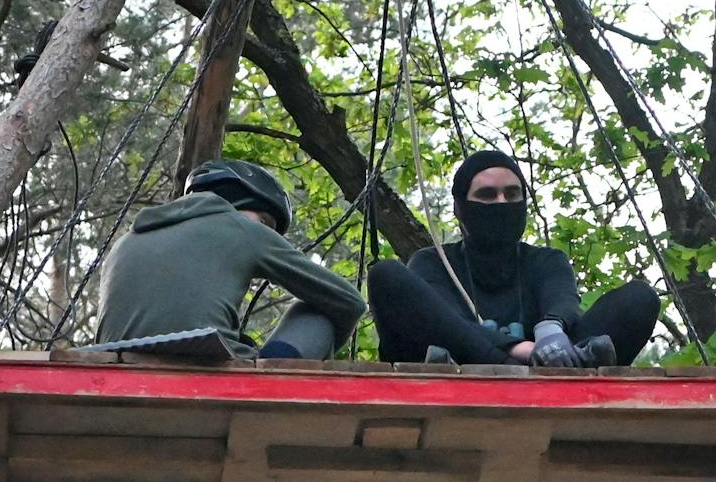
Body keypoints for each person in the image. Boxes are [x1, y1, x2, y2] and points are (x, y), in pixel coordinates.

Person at [366, 149, 661, 367]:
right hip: (464, 366)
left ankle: (566, 367)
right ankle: (522, 367)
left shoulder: (546, 261)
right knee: (385, 275)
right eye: (487, 195)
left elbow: (563, 301)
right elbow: (449, 323)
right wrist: (521, 350)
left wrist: (551, 329)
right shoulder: (434, 262)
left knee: (639, 298)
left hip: (553, 366)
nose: (501, 203)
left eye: (512, 194)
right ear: (461, 208)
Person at [94, 158, 364, 359]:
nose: (268, 233)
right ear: (241, 201)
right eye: (266, 222)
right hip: (206, 366)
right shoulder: (242, 228)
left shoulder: (126, 241)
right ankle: (278, 386)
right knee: (315, 313)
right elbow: (349, 301)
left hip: (114, 364)